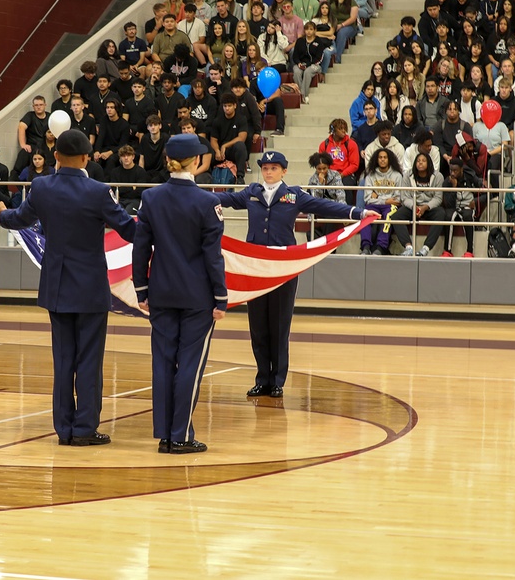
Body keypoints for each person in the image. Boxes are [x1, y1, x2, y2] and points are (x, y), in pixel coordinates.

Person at [0, 130, 136, 447]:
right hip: (91, 289)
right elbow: (128, 229)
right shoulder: (99, 191)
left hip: (57, 287)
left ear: (56, 157)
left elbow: (19, 220)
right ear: (86, 158)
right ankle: (84, 428)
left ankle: (64, 429)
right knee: (89, 361)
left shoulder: (42, 187)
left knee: (63, 360)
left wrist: (2, 213)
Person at [215, 151, 377, 397]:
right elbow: (226, 200)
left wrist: (359, 213)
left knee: (279, 325)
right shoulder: (251, 193)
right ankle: (262, 378)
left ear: (284, 171)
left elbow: (326, 206)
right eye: (265, 168)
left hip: (284, 267)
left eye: (273, 168)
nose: (268, 172)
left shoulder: (294, 195)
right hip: (256, 267)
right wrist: (192, 196)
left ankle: (278, 380)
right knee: (258, 325)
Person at [132, 133, 227, 454]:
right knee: (190, 364)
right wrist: (221, 296)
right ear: (196, 161)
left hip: (160, 291)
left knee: (163, 362)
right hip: (197, 296)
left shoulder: (151, 198)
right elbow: (212, 255)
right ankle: (181, 435)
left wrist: (141, 288)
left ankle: (165, 434)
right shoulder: (207, 202)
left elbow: (140, 247)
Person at [392, 152, 445, 257]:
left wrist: (425, 207)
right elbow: (404, 197)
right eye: (418, 161)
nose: (420, 163)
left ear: (429, 163)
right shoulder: (407, 175)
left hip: (429, 207)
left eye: (423, 161)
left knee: (441, 214)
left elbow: (438, 198)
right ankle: (408, 247)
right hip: (413, 206)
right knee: (396, 216)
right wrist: (414, 206)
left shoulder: (438, 176)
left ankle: (426, 248)